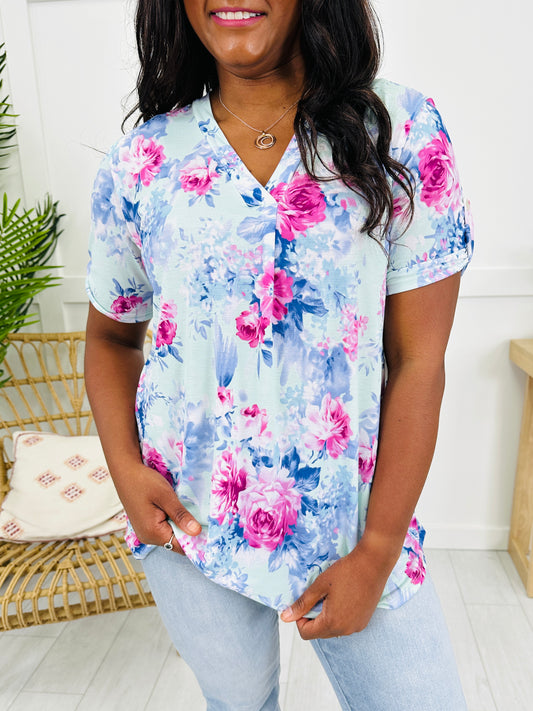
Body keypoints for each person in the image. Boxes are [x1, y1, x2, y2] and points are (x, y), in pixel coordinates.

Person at [85, 1, 473, 708]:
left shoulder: (400, 132)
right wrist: (125, 473)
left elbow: (420, 360)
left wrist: (379, 549)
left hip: (354, 526)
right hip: (188, 526)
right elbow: (112, 337)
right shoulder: (143, 159)